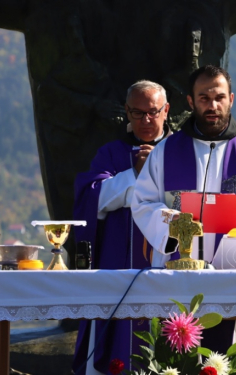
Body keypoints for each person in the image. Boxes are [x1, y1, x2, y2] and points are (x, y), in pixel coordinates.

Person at [131, 65, 236, 374]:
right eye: (204, 97)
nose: (212, 105)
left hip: (235, 281)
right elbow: (143, 203)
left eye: (219, 97)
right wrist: (176, 223)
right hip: (179, 283)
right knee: (177, 365)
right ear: (191, 101)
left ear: (231, 99)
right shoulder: (166, 152)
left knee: (232, 365)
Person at [72, 80, 171, 374]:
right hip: (117, 268)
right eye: (137, 113)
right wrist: (135, 175)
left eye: (153, 112)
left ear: (166, 111)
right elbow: (93, 198)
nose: (146, 120)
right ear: (126, 112)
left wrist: (150, 179)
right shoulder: (111, 153)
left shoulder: (181, 152)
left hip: (166, 268)